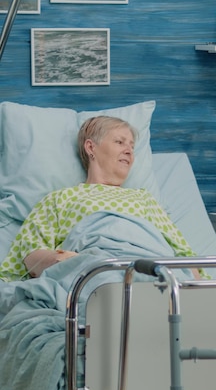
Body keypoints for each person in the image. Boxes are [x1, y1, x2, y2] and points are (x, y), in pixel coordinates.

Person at [0, 115, 202, 281]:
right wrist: (70, 262)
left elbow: (186, 258)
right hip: (92, 275)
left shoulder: (144, 199)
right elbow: (29, 255)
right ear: (91, 148)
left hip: (152, 274)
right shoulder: (60, 199)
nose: (129, 151)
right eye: (119, 142)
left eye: (132, 146)